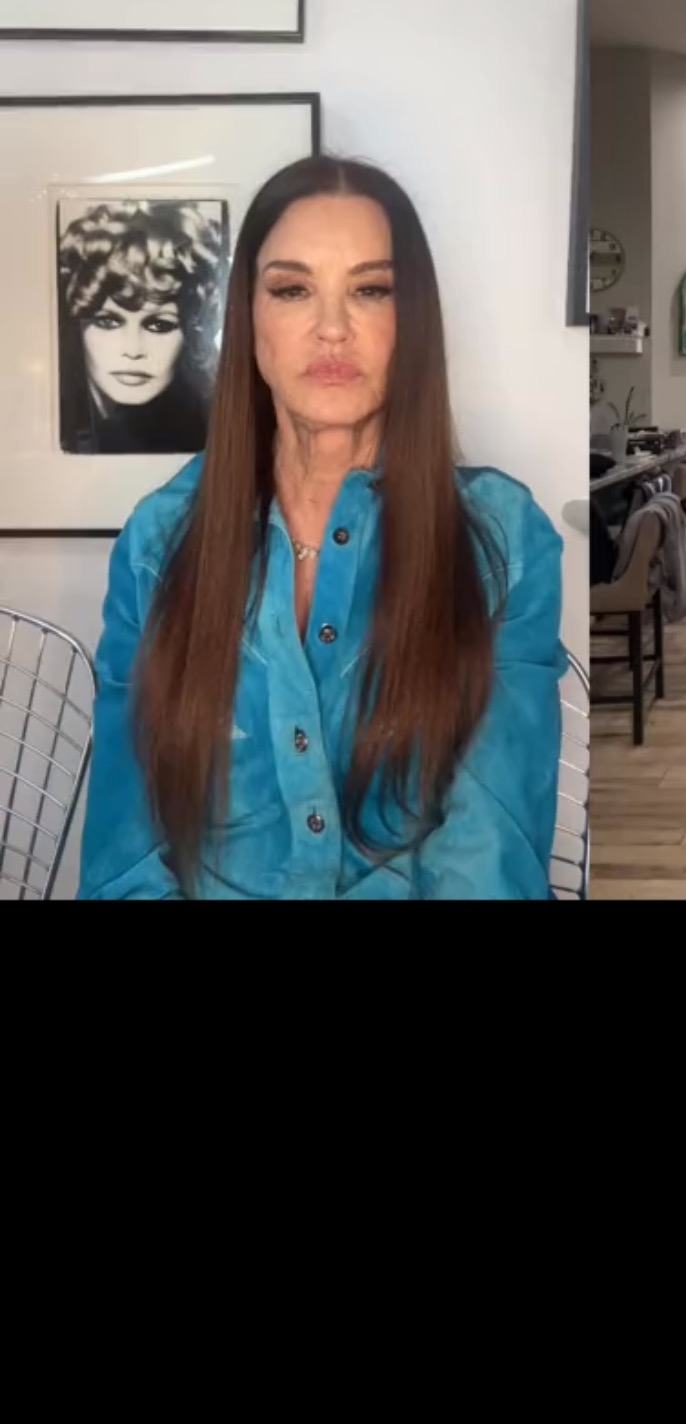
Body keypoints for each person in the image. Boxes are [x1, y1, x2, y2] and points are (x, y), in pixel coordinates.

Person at [78, 156, 565, 901]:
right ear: (248, 318)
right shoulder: (158, 542)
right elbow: (125, 858)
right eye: (292, 289)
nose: (332, 329)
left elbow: (490, 857)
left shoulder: (502, 541)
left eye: (370, 290)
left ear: (412, 321)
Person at [58, 199, 226, 455]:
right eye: (107, 322)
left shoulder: (210, 430)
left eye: (159, 325)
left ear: (194, 332)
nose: (133, 350)